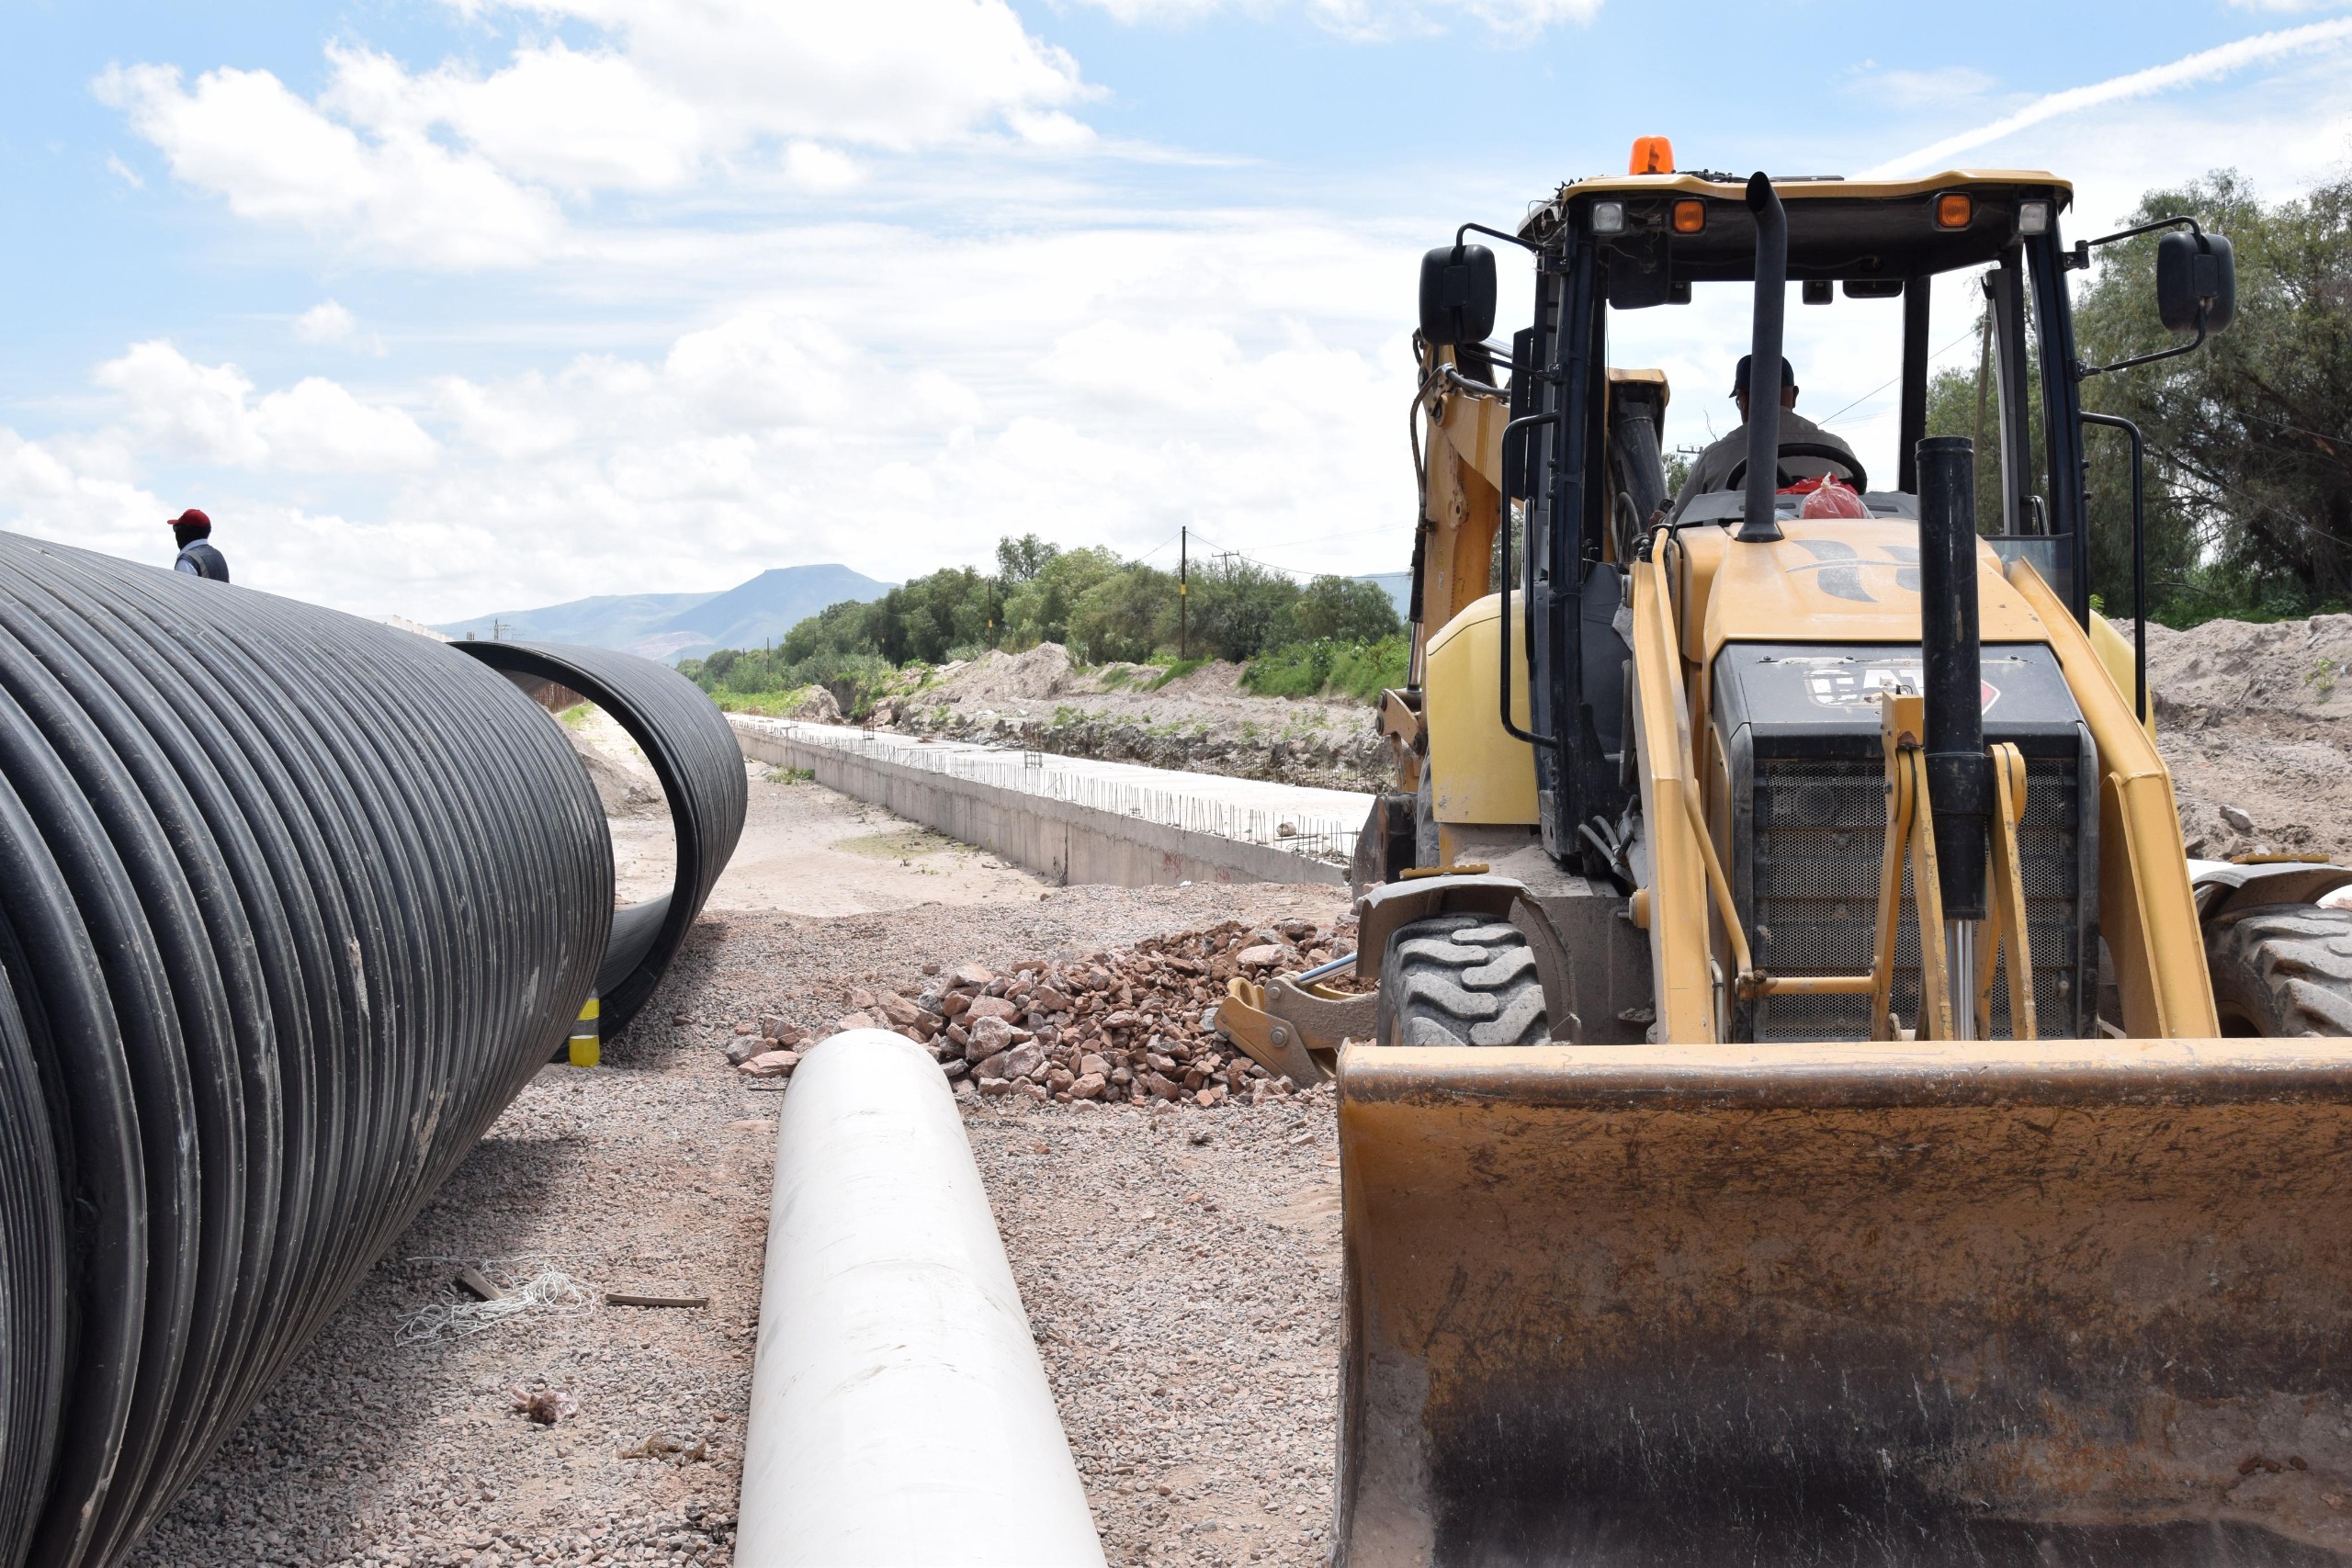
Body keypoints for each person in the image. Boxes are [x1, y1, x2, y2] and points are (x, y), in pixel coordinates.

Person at [1665, 355, 1859, 524]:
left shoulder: (1715, 456)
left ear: (1743, 399)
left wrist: (1662, 521)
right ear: (1794, 396)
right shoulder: (1839, 450)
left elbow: (1677, 522)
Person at [168, 508, 229, 582]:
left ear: (185, 531)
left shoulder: (187, 561)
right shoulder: (218, 555)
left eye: (176, 527)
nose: (176, 532)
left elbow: (181, 592)